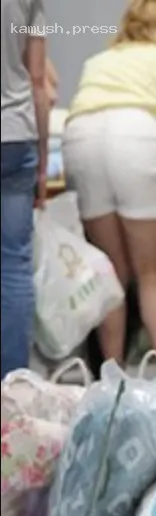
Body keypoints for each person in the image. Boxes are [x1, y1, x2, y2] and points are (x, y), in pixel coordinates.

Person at [63, 0, 156, 366]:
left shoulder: (98, 61)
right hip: (137, 139)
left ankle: (110, 374)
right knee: (152, 272)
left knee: (111, 270)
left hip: (81, 138)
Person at [0, 0, 49, 379]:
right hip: (16, 134)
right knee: (14, 265)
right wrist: (44, 159)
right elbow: (38, 80)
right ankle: (12, 386)